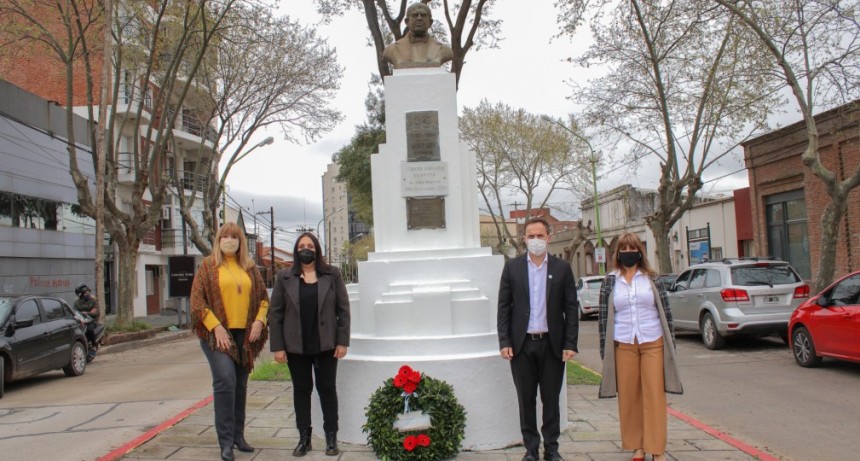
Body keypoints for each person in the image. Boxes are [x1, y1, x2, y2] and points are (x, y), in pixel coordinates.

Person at [498, 218, 579, 461]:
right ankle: (531, 448)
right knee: (526, 398)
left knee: (551, 399)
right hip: (522, 345)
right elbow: (504, 307)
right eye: (531, 236)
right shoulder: (512, 267)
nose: (535, 240)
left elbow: (571, 308)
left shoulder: (561, 268)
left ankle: (551, 448)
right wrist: (505, 341)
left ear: (548, 238)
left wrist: (570, 343)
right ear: (524, 238)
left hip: (552, 344)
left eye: (540, 236)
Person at [597, 233, 683, 461]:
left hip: (652, 342)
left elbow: (666, 313)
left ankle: (656, 448)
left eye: (632, 248)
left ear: (639, 252)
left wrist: (671, 345)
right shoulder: (610, 281)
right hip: (623, 343)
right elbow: (604, 319)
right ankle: (637, 446)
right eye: (623, 248)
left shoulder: (652, 279)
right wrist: (604, 350)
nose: (628, 252)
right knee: (629, 396)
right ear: (617, 253)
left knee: (654, 394)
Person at [190, 222, 269, 461]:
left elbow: (264, 299)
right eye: (225, 236)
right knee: (225, 380)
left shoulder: (250, 267)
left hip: (245, 335)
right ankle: (225, 443)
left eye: (234, 237)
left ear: (241, 241)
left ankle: (238, 436)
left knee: (240, 384)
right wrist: (216, 327)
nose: (229, 240)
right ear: (218, 239)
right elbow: (197, 302)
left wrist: (259, 322)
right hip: (217, 336)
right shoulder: (208, 266)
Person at [269, 232, 351, 457]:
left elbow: (343, 310)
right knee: (301, 391)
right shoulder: (284, 277)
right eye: (302, 245)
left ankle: (331, 437)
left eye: (310, 245)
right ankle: (304, 437)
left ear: (317, 249)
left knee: (327, 390)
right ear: (296, 250)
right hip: (296, 346)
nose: (306, 249)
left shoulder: (332, 274)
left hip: (326, 345)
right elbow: (275, 314)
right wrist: (277, 346)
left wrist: (342, 341)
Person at [382, 2, 454, 70]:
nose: (419, 18)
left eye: (423, 15)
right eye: (415, 15)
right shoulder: (391, 50)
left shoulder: (444, 50)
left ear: (430, 22)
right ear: (407, 22)